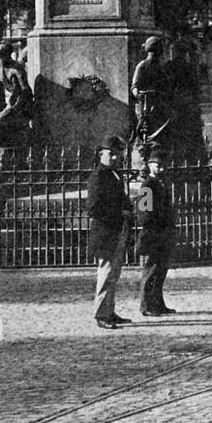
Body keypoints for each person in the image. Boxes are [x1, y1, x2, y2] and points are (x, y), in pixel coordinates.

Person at [87, 134, 133, 329]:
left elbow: (121, 197)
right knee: (106, 274)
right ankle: (101, 314)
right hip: (105, 233)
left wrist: (128, 208)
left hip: (116, 230)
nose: (115, 158)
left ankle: (109, 311)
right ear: (100, 154)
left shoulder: (114, 174)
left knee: (113, 274)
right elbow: (93, 208)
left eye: (117, 154)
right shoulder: (98, 176)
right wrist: (119, 212)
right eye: (111, 154)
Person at [135, 142, 177, 316]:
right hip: (153, 233)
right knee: (151, 271)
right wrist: (157, 223)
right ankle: (146, 305)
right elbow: (143, 215)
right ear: (150, 165)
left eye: (163, 165)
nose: (161, 168)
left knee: (161, 271)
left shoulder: (162, 184)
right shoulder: (148, 186)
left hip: (164, 233)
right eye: (157, 165)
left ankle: (158, 303)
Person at [130, 36, 167, 152]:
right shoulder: (142, 65)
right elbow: (134, 87)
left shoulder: (161, 67)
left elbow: (166, 85)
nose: (154, 56)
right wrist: (139, 94)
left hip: (157, 103)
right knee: (141, 128)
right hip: (144, 104)